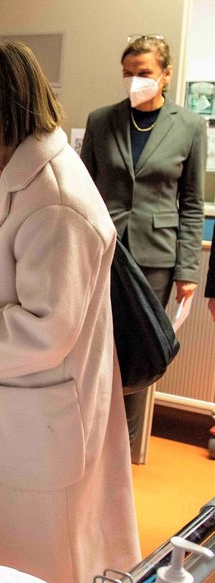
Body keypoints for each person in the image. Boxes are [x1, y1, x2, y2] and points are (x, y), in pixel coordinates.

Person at [0, 43, 140, 583]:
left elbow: (47, 328)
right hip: (13, 401)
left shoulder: (55, 199)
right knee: (2, 557)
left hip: (43, 411)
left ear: (4, 104)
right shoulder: (8, 170)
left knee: (41, 574)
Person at [80, 34, 207, 445]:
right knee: (96, 342)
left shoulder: (189, 125)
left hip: (157, 257)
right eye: (128, 74)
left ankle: (127, 444)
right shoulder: (102, 120)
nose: (136, 81)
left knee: (140, 348)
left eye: (145, 73)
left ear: (166, 75)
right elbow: (82, 188)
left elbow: (191, 203)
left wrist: (188, 269)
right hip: (105, 249)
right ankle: (90, 432)